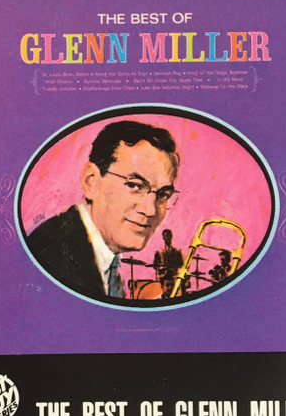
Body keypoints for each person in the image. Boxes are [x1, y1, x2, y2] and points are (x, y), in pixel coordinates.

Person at [27, 120, 179, 301]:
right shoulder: (52, 254)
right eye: (134, 185)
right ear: (90, 181)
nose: (150, 210)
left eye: (163, 195)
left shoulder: (99, 258)